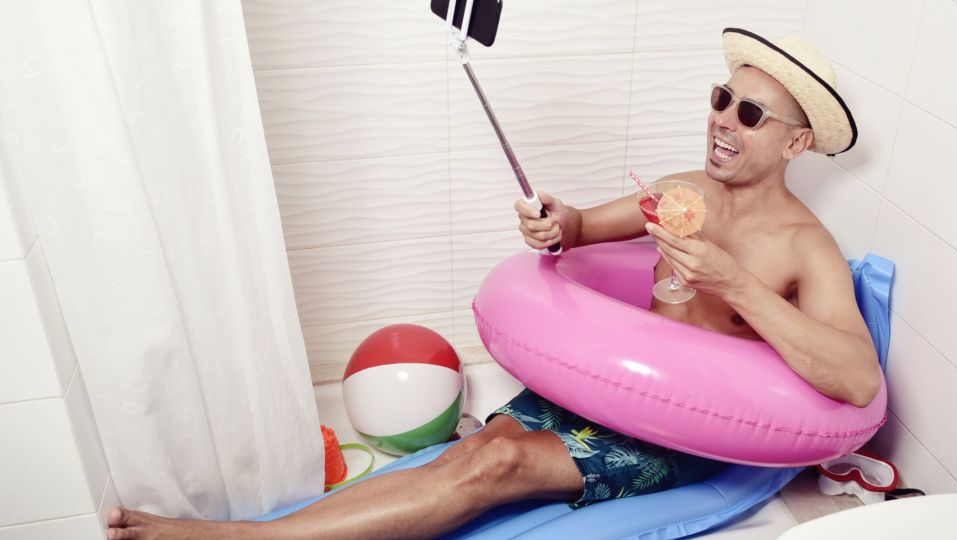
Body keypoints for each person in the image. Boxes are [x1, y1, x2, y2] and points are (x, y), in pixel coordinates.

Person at [106, 28, 881, 540]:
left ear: (797, 142)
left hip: (684, 428)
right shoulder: (683, 188)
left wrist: (736, 283)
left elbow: (854, 378)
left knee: (492, 466)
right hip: (614, 390)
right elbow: (579, 229)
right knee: (471, 453)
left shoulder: (805, 247)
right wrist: (555, 221)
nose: (723, 121)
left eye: (749, 113)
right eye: (720, 98)